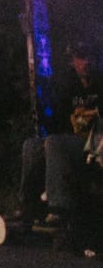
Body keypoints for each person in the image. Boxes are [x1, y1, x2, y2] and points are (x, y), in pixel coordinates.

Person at [19, 40, 103, 234]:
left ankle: (59, 209)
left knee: (55, 144)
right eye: (81, 58)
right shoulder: (69, 87)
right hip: (74, 142)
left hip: (95, 146)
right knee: (31, 145)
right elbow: (59, 121)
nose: (86, 62)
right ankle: (28, 206)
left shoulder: (100, 84)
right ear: (73, 61)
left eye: (90, 57)